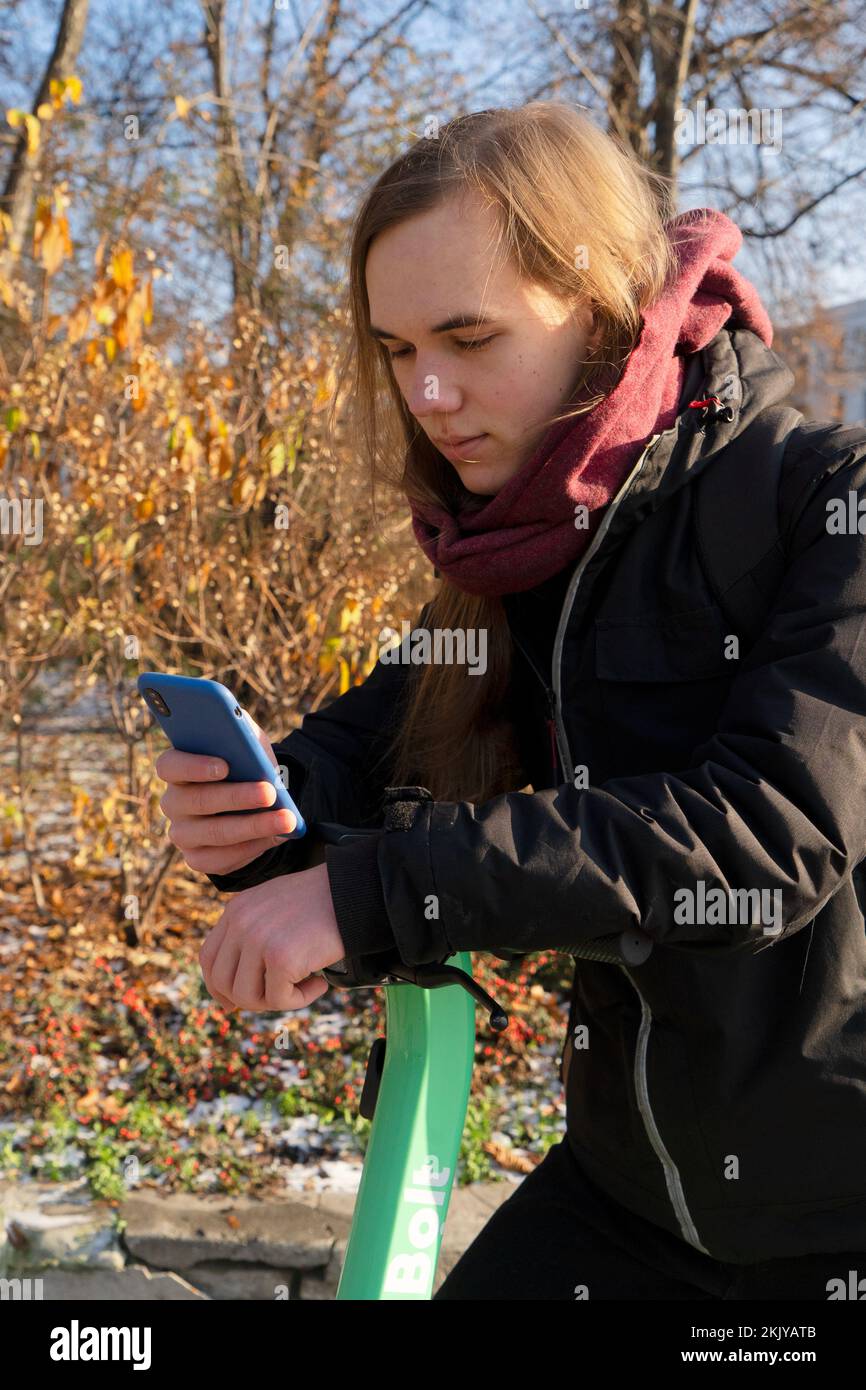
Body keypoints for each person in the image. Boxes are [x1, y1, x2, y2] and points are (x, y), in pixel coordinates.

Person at [155, 102, 866, 1300]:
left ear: (595, 308)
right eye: (393, 348)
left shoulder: (827, 500)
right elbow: (383, 730)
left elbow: (765, 829)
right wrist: (268, 816)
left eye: (468, 336)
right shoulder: (522, 545)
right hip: (631, 1188)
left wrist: (370, 891)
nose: (426, 391)